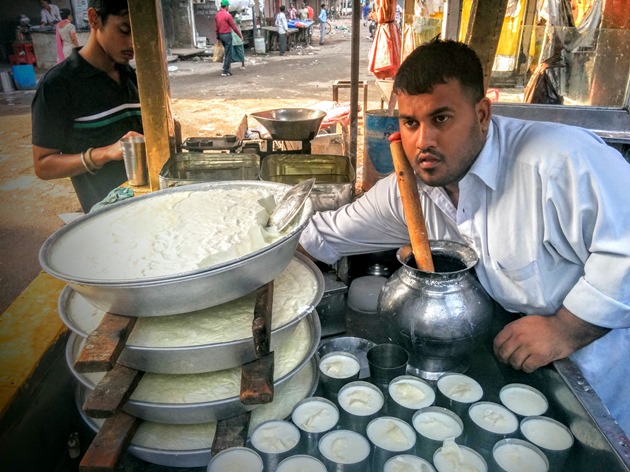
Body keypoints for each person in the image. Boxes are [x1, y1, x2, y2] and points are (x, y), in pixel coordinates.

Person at [298, 40, 630, 435]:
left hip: (592, 376)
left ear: (482, 114)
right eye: (410, 123)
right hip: (507, 359)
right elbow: (324, 236)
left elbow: (623, 249)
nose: (423, 142)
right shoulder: (408, 190)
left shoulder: (557, 162)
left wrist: (567, 328)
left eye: (441, 119)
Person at [31, 0, 143, 213]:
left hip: (146, 204)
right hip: (105, 217)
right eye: (125, 30)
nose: (133, 44)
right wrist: (105, 153)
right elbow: (43, 165)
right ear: (94, 19)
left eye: (139, 33)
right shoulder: (58, 85)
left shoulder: (131, 76)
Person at [215, 0, 243, 77]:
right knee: (228, 54)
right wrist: (240, 35)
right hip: (227, 35)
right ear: (226, 6)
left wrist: (218, 37)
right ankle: (225, 71)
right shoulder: (227, 15)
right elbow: (234, 27)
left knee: (227, 53)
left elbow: (217, 28)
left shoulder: (217, 15)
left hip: (221, 35)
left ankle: (228, 71)